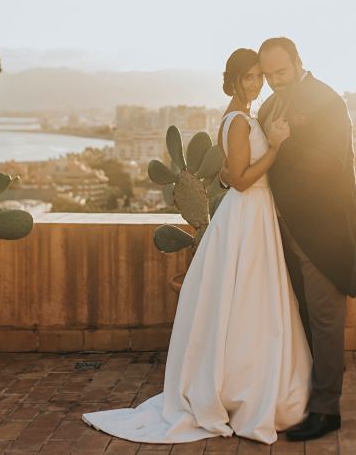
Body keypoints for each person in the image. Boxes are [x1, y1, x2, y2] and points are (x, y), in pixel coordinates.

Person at [82, 48, 311, 445]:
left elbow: (227, 172)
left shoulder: (240, 116)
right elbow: (242, 180)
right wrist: (275, 147)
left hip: (253, 214)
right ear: (234, 80)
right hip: (248, 213)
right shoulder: (238, 120)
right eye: (249, 77)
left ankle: (247, 380)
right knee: (248, 296)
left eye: (259, 76)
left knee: (249, 300)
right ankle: (241, 388)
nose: (256, 83)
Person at [238, 36, 356, 442]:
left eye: (282, 71)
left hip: (322, 230)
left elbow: (326, 163)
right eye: (269, 74)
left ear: (298, 61)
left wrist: (279, 148)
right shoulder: (269, 106)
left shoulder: (328, 102)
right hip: (281, 228)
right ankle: (303, 395)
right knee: (301, 317)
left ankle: (327, 411)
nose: (275, 80)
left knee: (325, 319)